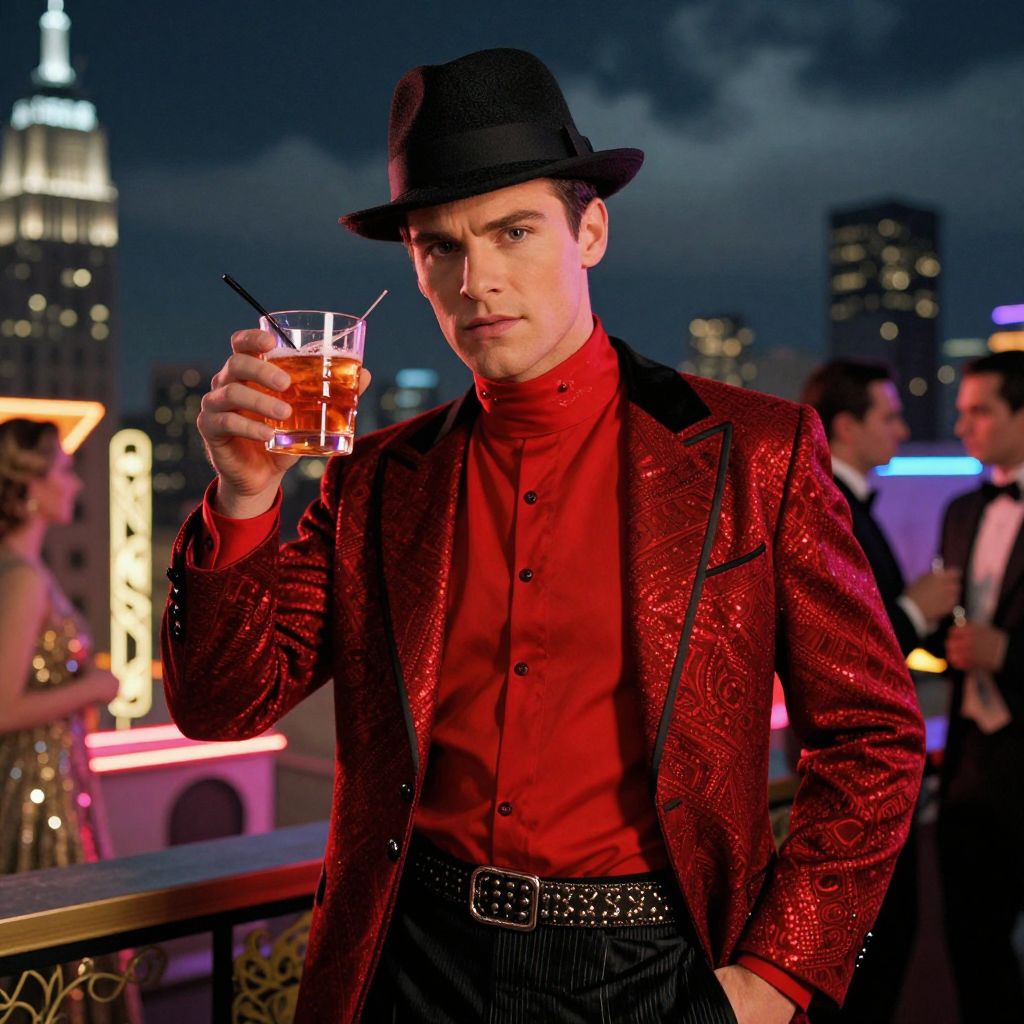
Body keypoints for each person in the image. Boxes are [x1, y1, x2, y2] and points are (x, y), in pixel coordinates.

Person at [161, 49, 924, 1024]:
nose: (476, 278)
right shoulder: (377, 480)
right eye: (440, 247)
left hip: (650, 965)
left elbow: (874, 737)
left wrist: (777, 976)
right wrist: (239, 498)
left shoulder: (755, 454)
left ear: (590, 230)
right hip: (413, 961)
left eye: (512, 231)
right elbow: (222, 707)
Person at [800, 361, 960, 1023]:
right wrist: (916, 612)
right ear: (846, 426)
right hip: (852, 782)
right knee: (871, 955)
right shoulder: (827, 507)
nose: (902, 427)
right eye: (889, 416)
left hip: (869, 777)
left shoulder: (849, 503)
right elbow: (834, 652)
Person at [0, 418, 141, 1022]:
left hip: (50, 786)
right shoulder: (23, 578)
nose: (76, 483)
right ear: (29, 488)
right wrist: (98, 685)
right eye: (62, 468)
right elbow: (2, 707)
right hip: (35, 798)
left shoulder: (23, 571)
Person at [932, 351, 1024, 1023]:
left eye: (980, 412)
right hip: (970, 766)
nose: (964, 427)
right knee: (972, 948)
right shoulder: (960, 510)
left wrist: (1010, 654)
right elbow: (948, 626)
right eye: (960, 413)